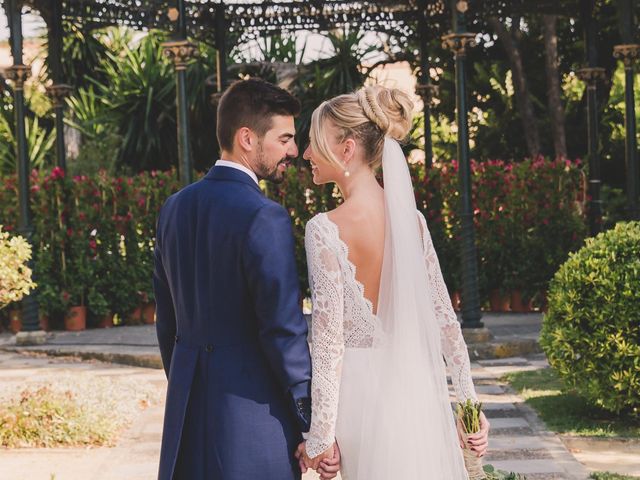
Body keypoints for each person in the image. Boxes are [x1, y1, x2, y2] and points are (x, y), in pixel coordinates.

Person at [296, 86, 490, 479]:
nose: (306, 154)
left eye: (314, 143)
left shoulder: (324, 230)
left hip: (359, 404)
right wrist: (470, 414)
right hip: (413, 397)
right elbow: (446, 325)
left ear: (347, 150)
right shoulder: (412, 222)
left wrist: (320, 440)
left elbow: (329, 345)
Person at [153, 78, 339, 480]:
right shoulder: (263, 215)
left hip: (185, 422)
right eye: (285, 138)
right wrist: (312, 423)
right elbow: (282, 330)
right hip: (253, 425)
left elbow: (167, 321)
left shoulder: (173, 208)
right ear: (247, 138)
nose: (293, 150)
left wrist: (189, 380)